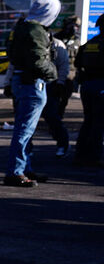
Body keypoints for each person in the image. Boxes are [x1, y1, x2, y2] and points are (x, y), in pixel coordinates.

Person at [4, 0, 60, 187]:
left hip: (22, 81)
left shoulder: (21, 27)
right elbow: (37, 60)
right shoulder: (35, 30)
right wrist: (53, 73)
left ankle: (24, 168)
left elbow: (13, 53)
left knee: (25, 129)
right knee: (24, 130)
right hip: (32, 83)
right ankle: (16, 171)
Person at [73, 13, 104, 168]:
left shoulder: (89, 43)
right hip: (100, 86)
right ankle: (94, 156)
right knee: (99, 123)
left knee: (88, 121)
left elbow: (77, 63)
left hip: (87, 86)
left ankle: (80, 154)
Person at [44, 16, 78, 157]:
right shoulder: (54, 38)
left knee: (55, 114)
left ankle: (62, 143)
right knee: (51, 115)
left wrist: (61, 82)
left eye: (75, 25)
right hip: (43, 83)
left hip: (62, 80)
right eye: (71, 25)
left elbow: (65, 64)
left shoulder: (68, 42)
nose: (73, 28)